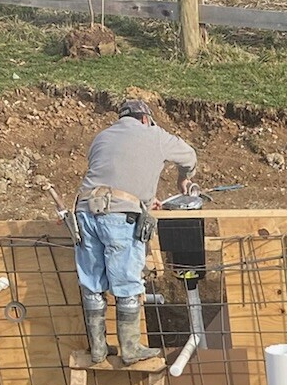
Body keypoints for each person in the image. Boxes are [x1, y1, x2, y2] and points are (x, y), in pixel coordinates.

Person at [73, 97, 198, 364]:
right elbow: (189, 155)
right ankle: (130, 349)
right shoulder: (154, 134)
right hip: (119, 216)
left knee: (92, 282)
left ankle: (98, 348)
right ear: (145, 118)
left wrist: (141, 200)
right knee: (127, 281)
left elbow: (114, 173)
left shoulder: (102, 137)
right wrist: (183, 177)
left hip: (85, 211)